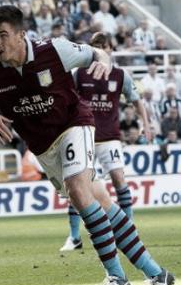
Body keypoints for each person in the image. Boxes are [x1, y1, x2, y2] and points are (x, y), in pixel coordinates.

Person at [0, 6, 173, 285]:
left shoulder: (54, 51)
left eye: (3, 35)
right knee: (100, 202)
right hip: (44, 147)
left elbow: (96, 53)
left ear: (22, 35)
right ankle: (156, 273)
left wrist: (104, 60)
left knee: (77, 187)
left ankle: (116, 277)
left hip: (75, 123)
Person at [61, 32, 153, 251]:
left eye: (105, 46)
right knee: (76, 185)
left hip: (110, 136)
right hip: (83, 136)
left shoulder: (121, 75)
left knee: (119, 178)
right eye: (96, 45)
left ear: (111, 50)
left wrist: (146, 124)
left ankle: (129, 229)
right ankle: (74, 237)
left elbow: (136, 100)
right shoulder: (78, 74)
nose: (102, 49)